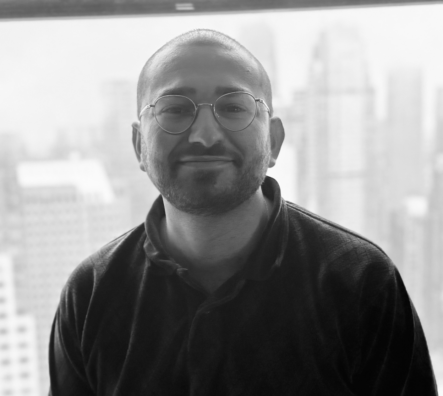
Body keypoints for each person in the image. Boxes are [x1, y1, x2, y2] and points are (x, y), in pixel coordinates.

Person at [48, 29, 438, 395]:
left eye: (233, 108)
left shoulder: (359, 281)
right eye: (174, 110)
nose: (204, 135)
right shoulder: (91, 294)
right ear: (138, 146)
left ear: (274, 141)